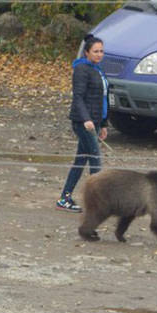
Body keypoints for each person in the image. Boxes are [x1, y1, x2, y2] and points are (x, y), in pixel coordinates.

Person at [56, 34, 109, 213]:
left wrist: (103, 124)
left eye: (101, 51)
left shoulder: (98, 70)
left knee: (81, 160)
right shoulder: (81, 70)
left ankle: (64, 198)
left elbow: (103, 99)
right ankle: (97, 202)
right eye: (95, 51)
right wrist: (86, 119)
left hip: (94, 122)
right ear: (86, 52)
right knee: (95, 160)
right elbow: (78, 97)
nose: (99, 54)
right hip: (82, 122)